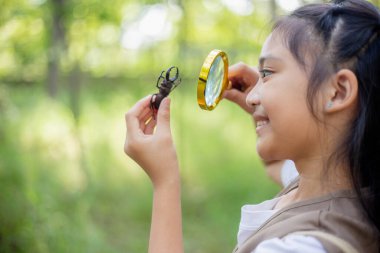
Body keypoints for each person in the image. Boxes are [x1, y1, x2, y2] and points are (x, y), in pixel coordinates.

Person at [124, 0, 380, 252]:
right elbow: (277, 166)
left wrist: (165, 182)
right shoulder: (339, 187)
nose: (251, 96)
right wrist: (265, 112)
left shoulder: (303, 246)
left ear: (337, 91)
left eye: (267, 73)